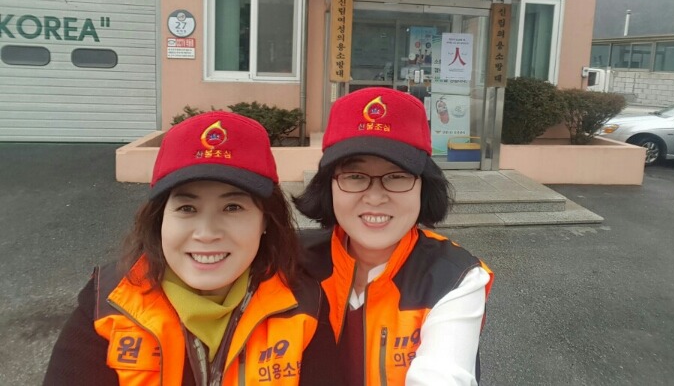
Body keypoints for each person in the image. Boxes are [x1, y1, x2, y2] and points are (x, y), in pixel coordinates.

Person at [44, 111, 333, 385]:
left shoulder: (304, 308)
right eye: (187, 208)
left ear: (265, 220)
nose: (206, 234)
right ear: (159, 219)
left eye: (232, 207)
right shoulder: (108, 304)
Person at [294, 87, 494, 386]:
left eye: (397, 176)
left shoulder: (454, 278)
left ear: (424, 186)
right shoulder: (289, 263)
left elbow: (444, 374)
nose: (375, 198)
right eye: (355, 176)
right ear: (328, 185)